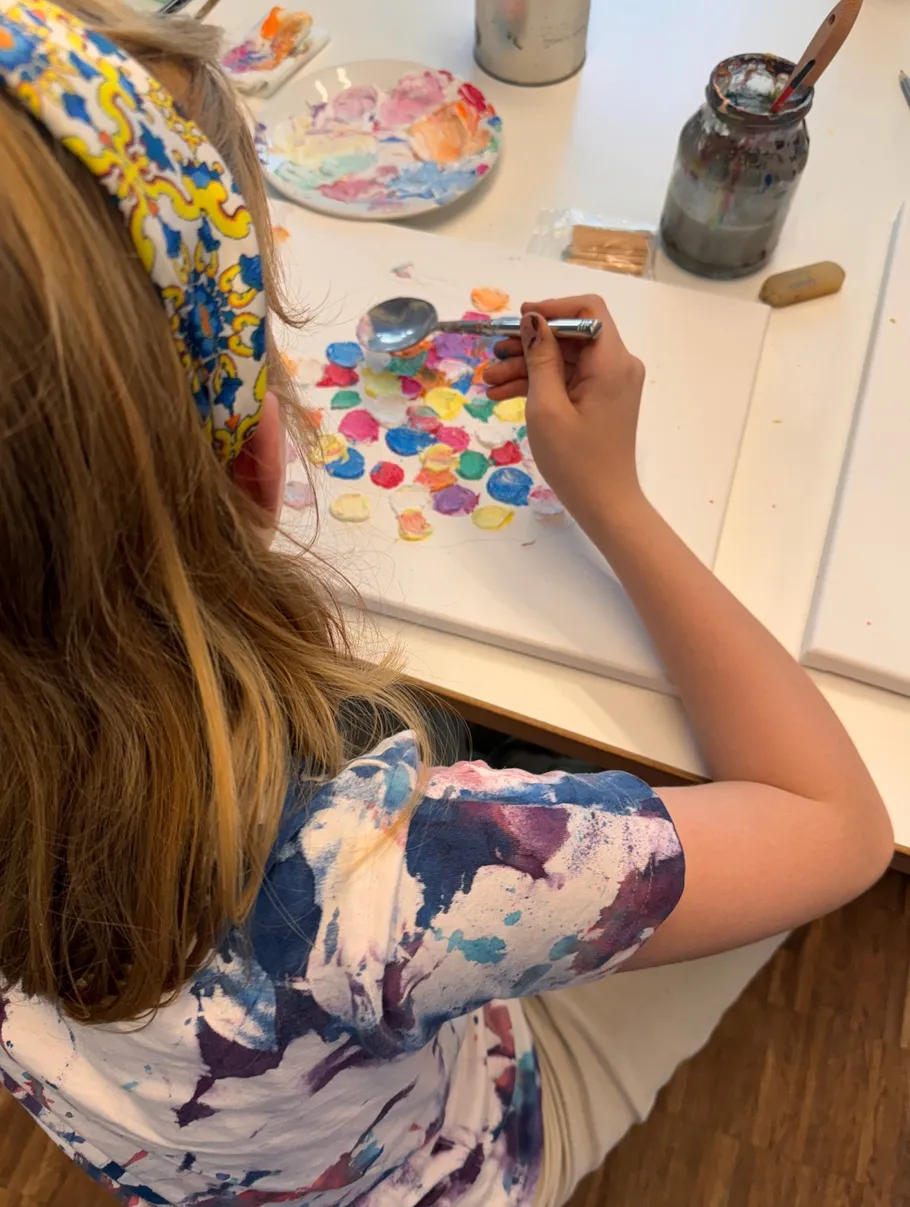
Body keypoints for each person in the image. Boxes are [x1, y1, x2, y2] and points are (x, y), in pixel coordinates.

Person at [0, 2, 893, 1206]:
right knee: (772, 874)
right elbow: (835, 821)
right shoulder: (387, 883)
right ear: (258, 461)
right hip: (452, 1157)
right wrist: (611, 501)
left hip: (195, 1144)